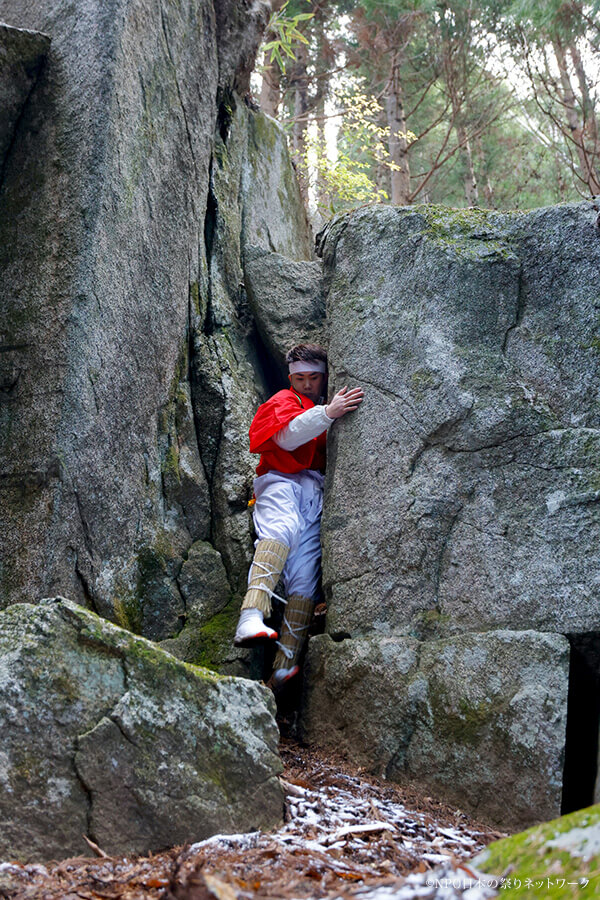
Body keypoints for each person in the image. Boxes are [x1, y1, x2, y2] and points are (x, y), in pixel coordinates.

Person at [233, 343, 364, 687]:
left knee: (305, 570)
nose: (307, 384)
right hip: (279, 480)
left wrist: (328, 412)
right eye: (300, 378)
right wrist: (329, 413)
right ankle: (251, 615)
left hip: (312, 490)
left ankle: (284, 662)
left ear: (323, 378)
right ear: (291, 378)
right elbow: (288, 438)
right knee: (280, 528)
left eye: (314, 378)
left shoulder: (319, 405)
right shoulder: (283, 400)